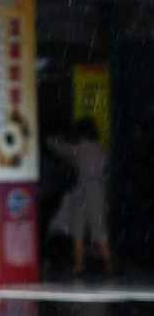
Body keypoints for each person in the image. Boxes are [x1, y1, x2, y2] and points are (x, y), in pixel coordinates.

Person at [47, 118, 110, 276]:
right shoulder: (101, 150)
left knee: (78, 230)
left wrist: (51, 139)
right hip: (98, 191)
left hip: (81, 192)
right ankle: (108, 265)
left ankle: (79, 265)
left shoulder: (79, 149)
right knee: (99, 229)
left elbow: (58, 148)